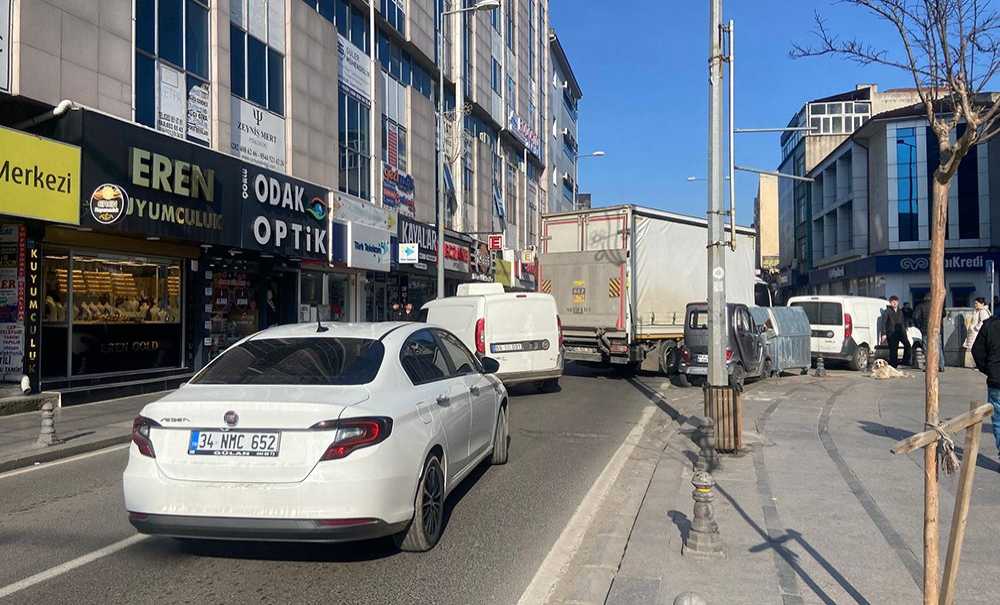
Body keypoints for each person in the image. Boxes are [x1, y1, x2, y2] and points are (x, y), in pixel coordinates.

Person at [970, 313, 1000, 461]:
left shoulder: (989, 324)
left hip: (996, 381)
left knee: (999, 421)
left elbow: (977, 351)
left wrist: (989, 369)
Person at [913, 294, 946, 372]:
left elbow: (915, 317)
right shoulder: (937, 305)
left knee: (927, 349)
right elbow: (944, 314)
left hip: (925, 330)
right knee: (938, 348)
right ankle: (941, 365)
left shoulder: (920, 306)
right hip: (937, 329)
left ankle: (930, 366)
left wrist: (919, 326)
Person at [883, 295, 911, 368]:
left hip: (901, 332)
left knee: (908, 345)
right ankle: (893, 365)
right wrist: (884, 334)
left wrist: (905, 327)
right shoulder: (887, 311)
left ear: (898, 302)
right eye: (893, 302)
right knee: (893, 350)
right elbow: (884, 323)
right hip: (891, 333)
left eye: (896, 301)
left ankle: (905, 362)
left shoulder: (900, 311)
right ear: (890, 303)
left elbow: (903, 320)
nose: (894, 303)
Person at [964, 297, 991, 362]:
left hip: (978, 333)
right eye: (975, 303)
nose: (975, 305)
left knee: (977, 349)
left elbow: (983, 322)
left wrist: (975, 328)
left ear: (982, 304)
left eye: (976, 303)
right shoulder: (977, 311)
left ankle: (979, 364)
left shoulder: (983, 311)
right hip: (975, 333)